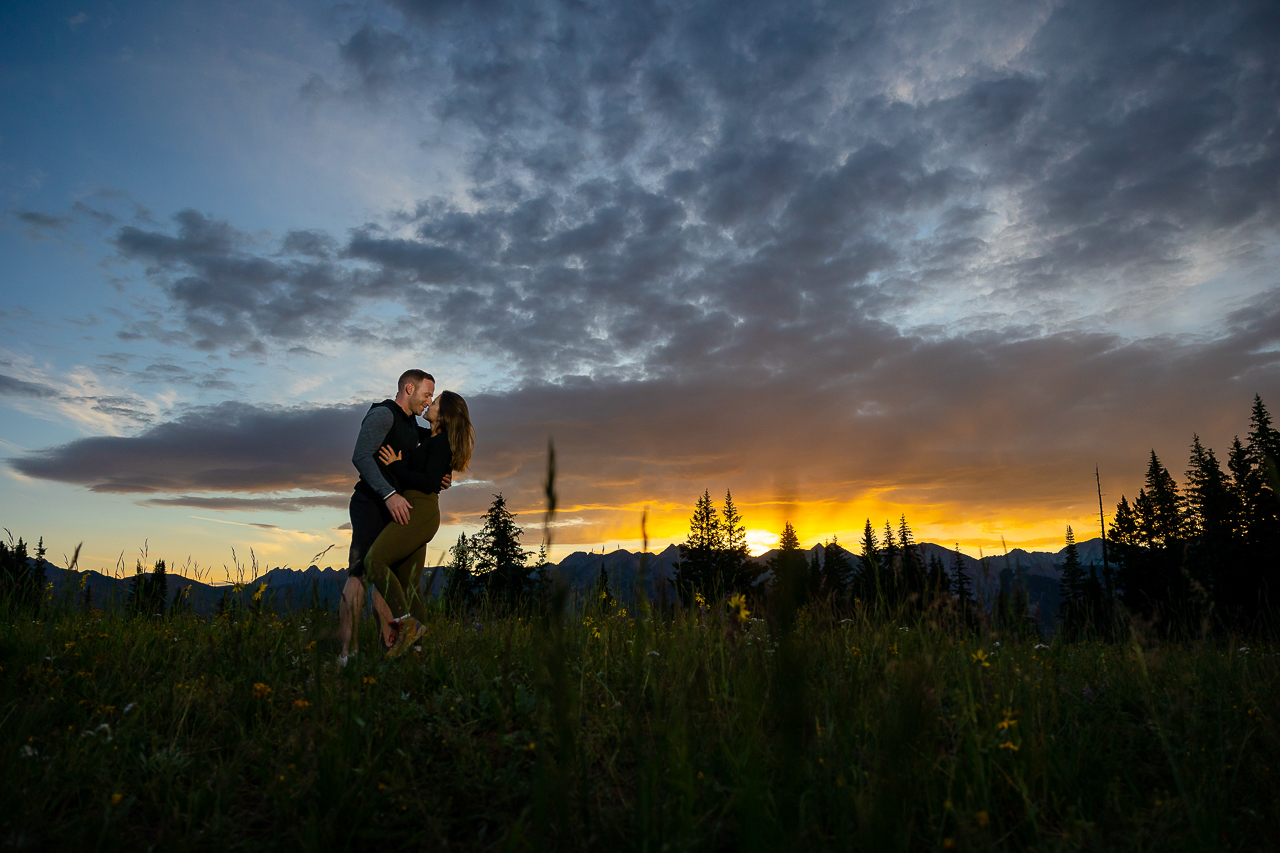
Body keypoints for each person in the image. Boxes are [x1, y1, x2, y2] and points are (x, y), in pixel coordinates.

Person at [338, 369, 451, 665]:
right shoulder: (383, 415)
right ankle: (347, 654)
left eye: (432, 398)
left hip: (400, 508)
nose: (428, 402)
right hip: (373, 503)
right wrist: (388, 494)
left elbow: (438, 444)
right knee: (360, 574)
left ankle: (390, 650)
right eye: (427, 395)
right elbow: (361, 456)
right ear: (409, 389)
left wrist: (440, 476)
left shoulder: (413, 426)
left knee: (391, 581)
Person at [364, 390, 475, 657]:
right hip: (418, 508)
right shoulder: (432, 438)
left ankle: (406, 629)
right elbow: (432, 470)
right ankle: (416, 654)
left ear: (444, 414)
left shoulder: (441, 443)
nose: (430, 404)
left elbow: (428, 482)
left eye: (435, 403)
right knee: (411, 586)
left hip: (420, 509)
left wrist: (396, 465)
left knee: (373, 561)